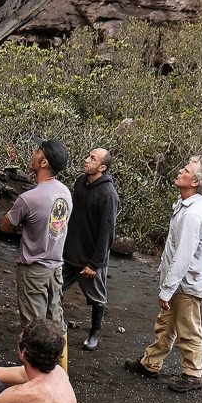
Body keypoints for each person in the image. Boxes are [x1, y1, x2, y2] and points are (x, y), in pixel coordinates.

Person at [124, 155, 202, 392]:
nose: (180, 171)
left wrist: (167, 289)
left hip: (186, 283)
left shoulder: (193, 214)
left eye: (186, 170)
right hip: (179, 282)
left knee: (188, 328)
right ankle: (151, 363)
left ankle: (193, 374)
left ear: (195, 181)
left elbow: (183, 256)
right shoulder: (187, 205)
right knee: (166, 324)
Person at [0, 138, 71, 328]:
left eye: (38, 150)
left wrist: (21, 226)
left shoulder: (29, 198)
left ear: (44, 162)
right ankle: (60, 359)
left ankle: (35, 358)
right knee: (56, 324)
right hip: (55, 268)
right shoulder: (65, 193)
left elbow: (5, 226)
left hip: (34, 270)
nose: (34, 153)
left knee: (34, 328)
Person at [61, 147, 119, 351]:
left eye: (92, 159)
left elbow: (107, 231)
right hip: (69, 252)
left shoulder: (107, 194)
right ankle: (51, 329)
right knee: (54, 290)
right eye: (88, 156)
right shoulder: (80, 182)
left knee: (97, 298)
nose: (86, 160)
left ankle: (95, 332)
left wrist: (95, 263)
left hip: (90, 257)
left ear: (102, 167)